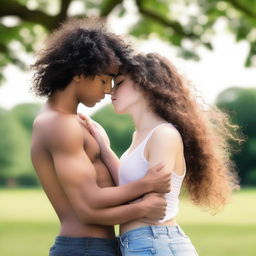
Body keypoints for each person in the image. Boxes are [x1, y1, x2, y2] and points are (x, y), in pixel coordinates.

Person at [30, 19, 171, 256]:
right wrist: (145, 192)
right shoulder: (57, 124)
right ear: (79, 73)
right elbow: (89, 204)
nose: (108, 91)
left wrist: (105, 149)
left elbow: (112, 188)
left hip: (97, 246)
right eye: (104, 80)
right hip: (84, 248)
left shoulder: (80, 123)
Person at [86, 52, 241, 256]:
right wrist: (105, 151)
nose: (111, 91)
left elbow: (152, 207)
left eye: (120, 82)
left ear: (145, 84)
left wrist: (92, 210)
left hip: (156, 243)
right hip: (142, 243)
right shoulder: (140, 136)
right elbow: (129, 188)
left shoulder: (163, 135)